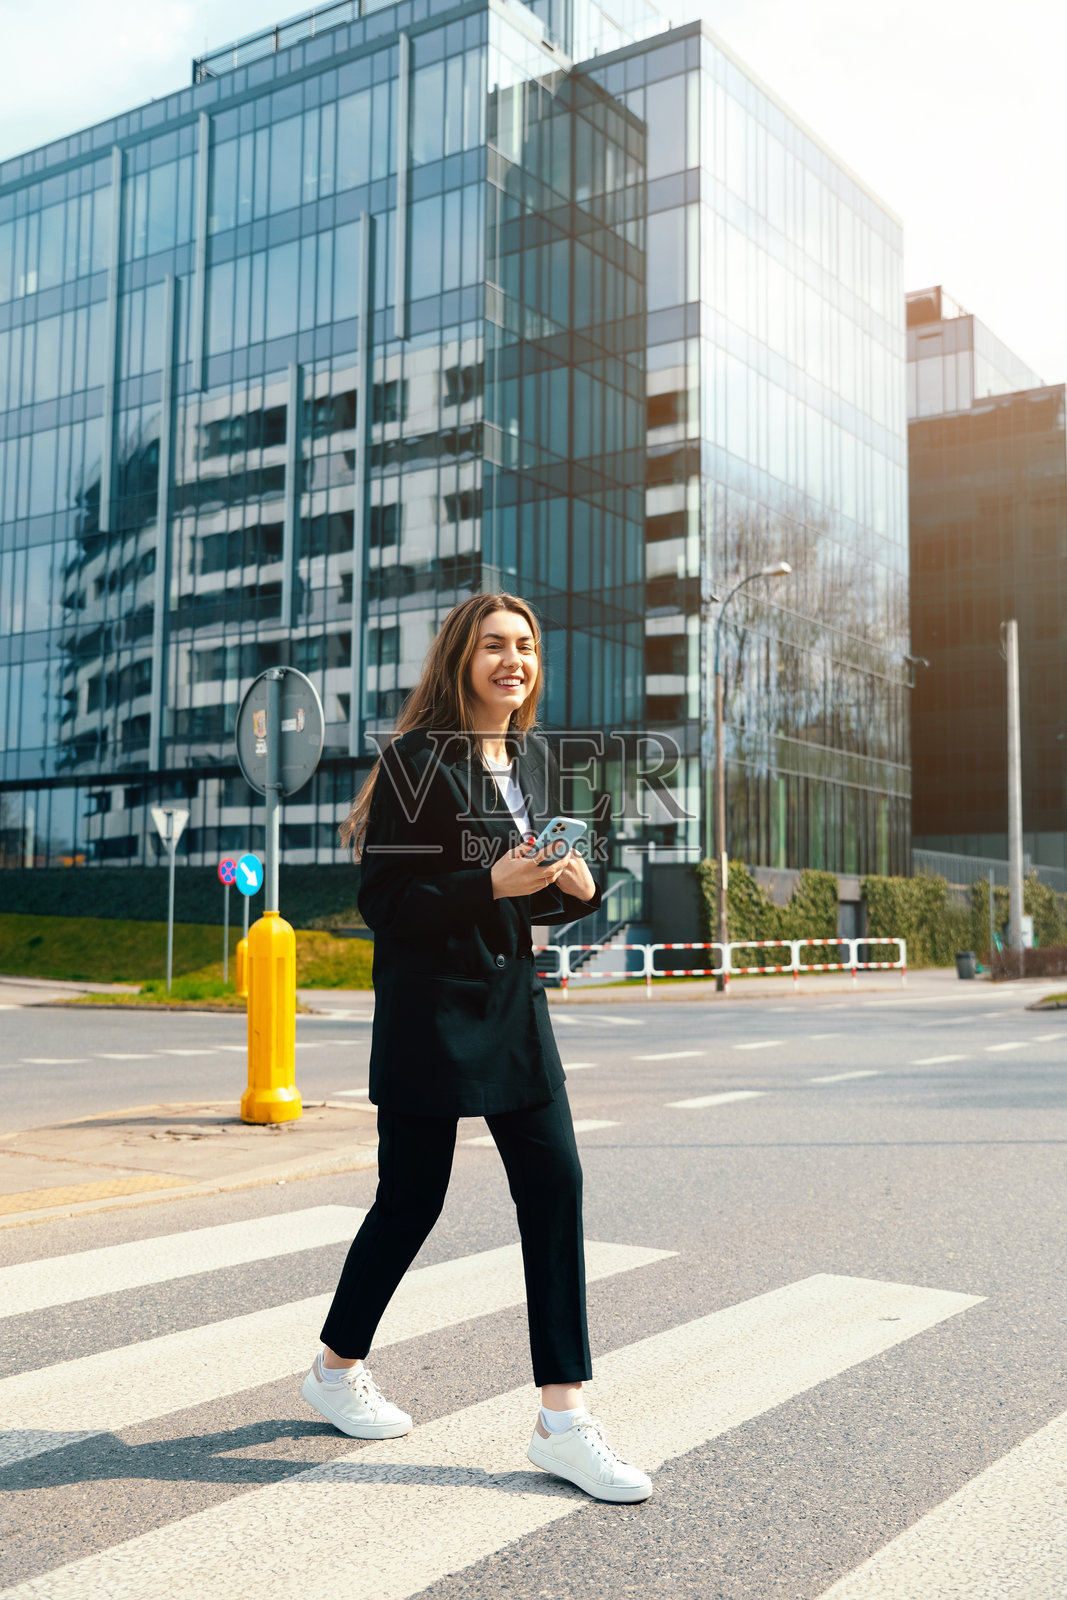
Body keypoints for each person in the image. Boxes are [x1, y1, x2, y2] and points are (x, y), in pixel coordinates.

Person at [301, 591, 652, 1503]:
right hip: (429, 1014)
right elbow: (386, 907)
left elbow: (538, 890)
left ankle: (563, 1421)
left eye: (525, 646)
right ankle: (334, 1371)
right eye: (494, 645)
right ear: (461, 659)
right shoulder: (418, 762)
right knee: (411, 1199)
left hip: (512, 1005)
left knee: (557, 1186)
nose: (513, 660)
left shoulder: (533, 759)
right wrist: (484, 880)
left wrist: (575, 884)